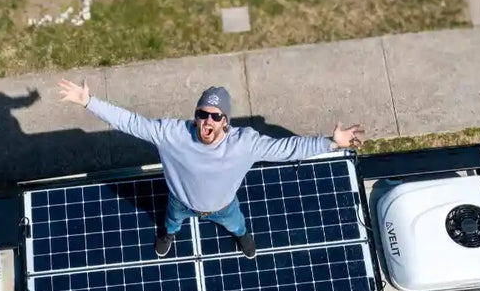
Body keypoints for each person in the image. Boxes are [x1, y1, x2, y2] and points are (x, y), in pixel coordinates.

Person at [57, 79, 365, 259]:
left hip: (223, 206)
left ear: (226, 121)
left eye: (216, 116)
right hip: (181, 203)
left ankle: (242, 236)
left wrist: (331, 143)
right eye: (202, 114)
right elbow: (130, 122)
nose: (208, 121)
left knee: (238, 224)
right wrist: (89, 102)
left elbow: (288, 150)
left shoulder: (245, 143)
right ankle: (168, 234)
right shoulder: (171, 134)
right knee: (170, 222)